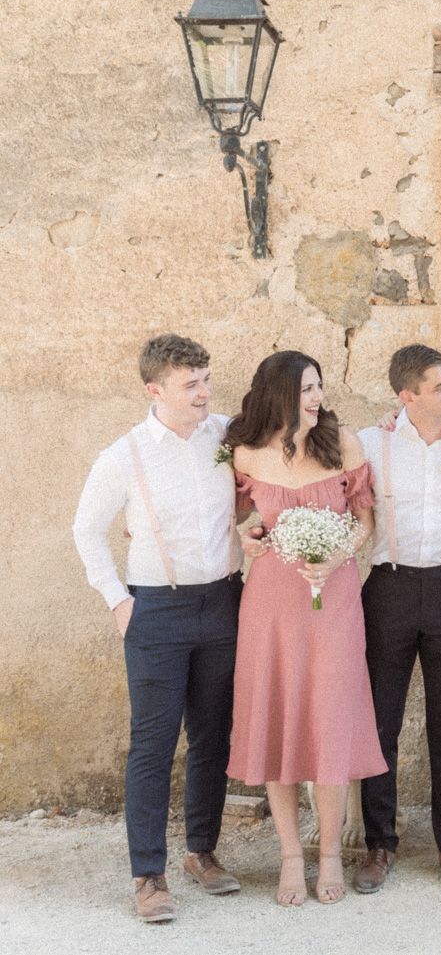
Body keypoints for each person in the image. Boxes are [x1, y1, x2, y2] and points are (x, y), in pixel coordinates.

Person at [72, 334, 245, 923]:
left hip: (223, 601)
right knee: (152, 744)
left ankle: (202, 852)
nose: (204, 392)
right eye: (190, 384)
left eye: (206, 379)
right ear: (155, 390)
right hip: (155, 609)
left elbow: (290, 441)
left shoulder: (229, 434)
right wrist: (119, 602)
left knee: (213, 736)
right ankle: (148, 875)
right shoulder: (122, 455)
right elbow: (87, 530)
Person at [226, 350, 382, 907]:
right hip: (270, 602)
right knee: (280, 717)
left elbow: (365, 521)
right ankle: (291, 857)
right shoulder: (243, 453)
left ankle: (332, 854)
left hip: (334, 598)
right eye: (306, 390)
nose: (317, 398)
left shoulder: (342, 446)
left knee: (330, 719)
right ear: (279, 395)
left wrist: (338, 552)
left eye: (319, 387)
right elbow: (239, 521)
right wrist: (246, 536)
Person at [352, 345, 441, 894]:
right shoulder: (369, 443)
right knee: (380, 723)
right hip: (387, 586)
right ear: (406, 396)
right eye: (440, 387)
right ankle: (379, 845)